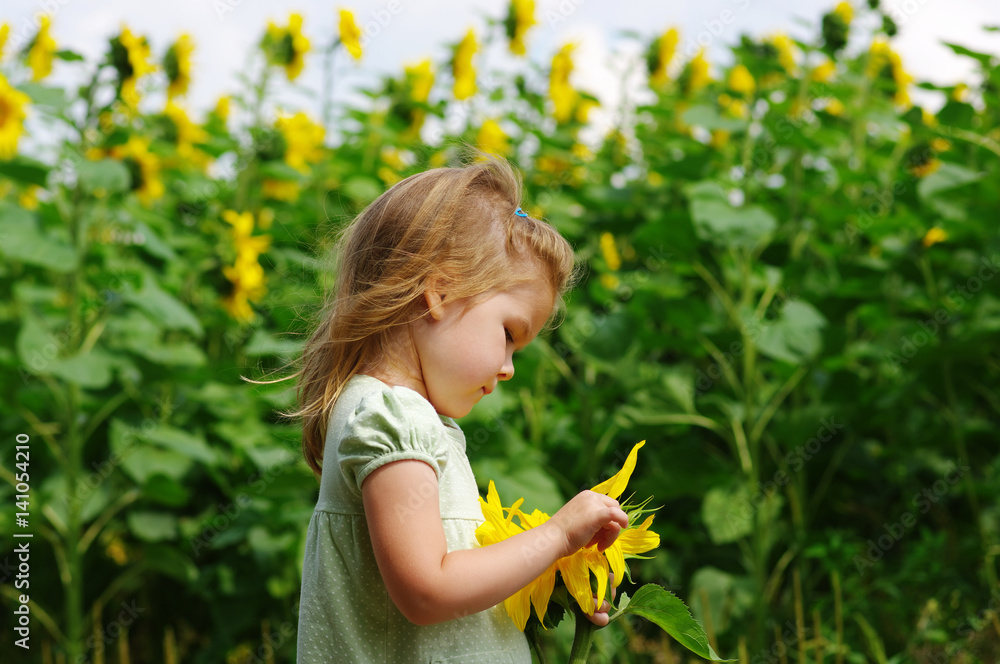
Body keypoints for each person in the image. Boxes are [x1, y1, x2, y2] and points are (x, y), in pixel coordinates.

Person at [293, 155, 628, 663]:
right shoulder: (393, 419)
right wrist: (556, 536)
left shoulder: (403, 418)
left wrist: (558, 579)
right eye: (509, 334)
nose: (509, 367)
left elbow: (456, 577)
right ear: (440, 291)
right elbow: (428, 591)